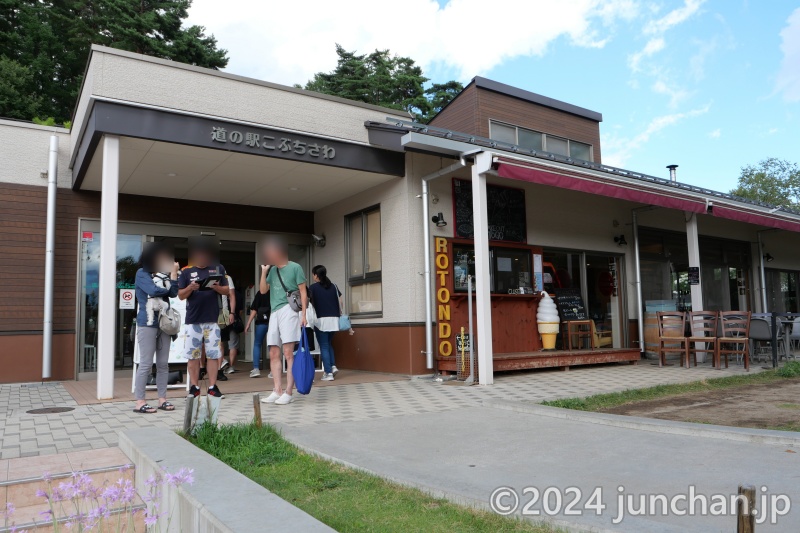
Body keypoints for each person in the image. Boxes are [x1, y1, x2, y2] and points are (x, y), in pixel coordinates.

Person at [178, 238, 228, 398]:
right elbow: (180, 295)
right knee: (193, 355)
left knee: (213, 354)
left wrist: (217, 287)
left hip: (212, 320)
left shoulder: (218, 268)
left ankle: (213, 386)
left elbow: (227, 291)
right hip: (193, 320)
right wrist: (190, 288)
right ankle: (194, 387)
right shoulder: (186, 272)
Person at [259, 236, 307, 405]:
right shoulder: (272, 271)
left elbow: (303, 291)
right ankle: (277, 390)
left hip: (289, 310)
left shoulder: (295, 267)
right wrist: (264, 272)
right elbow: (263, 290)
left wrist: (304, 315)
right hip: (275, 312)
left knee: (288, 352)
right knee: (273, 351)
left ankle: (288, 391)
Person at [133, 242, 179, 413]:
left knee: (163, 364)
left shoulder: (165, 274)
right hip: (147, 322)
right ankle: (139, 401)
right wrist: (170, 280)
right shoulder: (141, 273)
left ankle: (162, 399)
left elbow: (174, 293)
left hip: (164, 323)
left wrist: (172, 275)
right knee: (145, 363)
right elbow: (153, 290)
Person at [309, 265, 342, 381]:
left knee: (324, 345)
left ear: (316, 275)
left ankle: (328, 373)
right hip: (334, 320)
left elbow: (308, 303)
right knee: (328, 344)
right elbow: (340, 301)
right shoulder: (334, 286)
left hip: (321, 321)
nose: (313, 276)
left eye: (313, 274)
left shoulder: (312, 288)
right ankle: (332, 366)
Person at [244, 288, 270, 378]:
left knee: (257, 344)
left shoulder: (260, 293)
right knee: (273, 345)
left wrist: (248, 323)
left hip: (261, 322)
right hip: (273, 322)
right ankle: (274, 370)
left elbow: (254, 309)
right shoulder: (275, 292)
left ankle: (256, 369)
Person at [220, 274, 239, 376]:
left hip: (223, 313)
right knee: (223, 342)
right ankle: (226, 364)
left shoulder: (227, 277)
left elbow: (232, 295)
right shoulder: (227, 277)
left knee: (220, 341)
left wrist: (231, 313)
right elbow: (232, 295)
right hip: (224, 313)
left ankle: (222, 363)